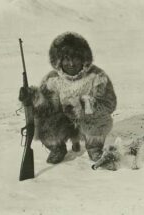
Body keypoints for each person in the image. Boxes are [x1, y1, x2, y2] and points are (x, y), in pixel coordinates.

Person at [19, 32, 117, 164]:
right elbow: (45, 109)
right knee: (42, 120)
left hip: (87, 120)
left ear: (84, 58)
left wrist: (84, 105)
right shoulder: (52, 79)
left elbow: (109, 105)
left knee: (98, 117)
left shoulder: (97, 76)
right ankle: (57, 148)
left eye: (75, 58)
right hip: (63, 122)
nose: (71, 63)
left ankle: (94, 148)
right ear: (58, 61)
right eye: (66, 58)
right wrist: (33, 99)